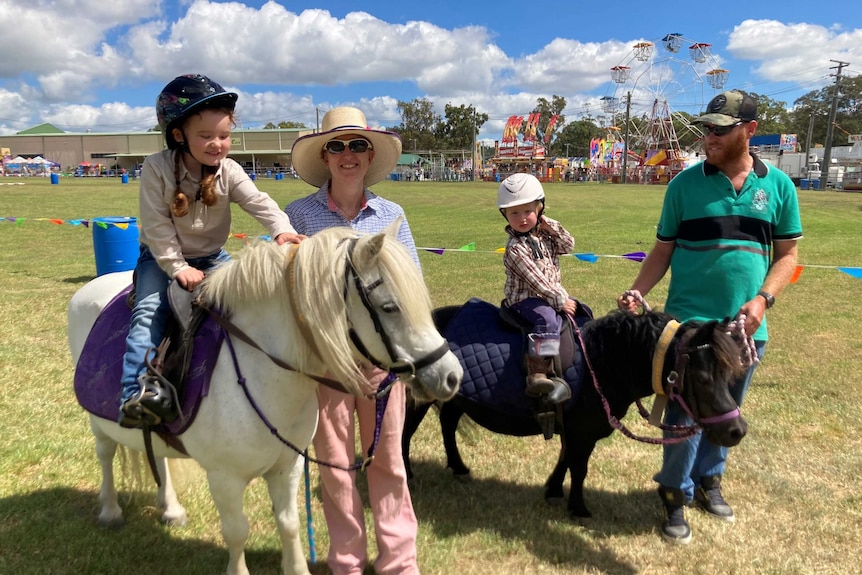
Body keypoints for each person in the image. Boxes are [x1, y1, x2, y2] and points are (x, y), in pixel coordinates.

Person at [617, 90, 802, 544]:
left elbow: (788, 255)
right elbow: (663, 249)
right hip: (691, 330)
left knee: (725, 411)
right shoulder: (683, 185)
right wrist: (637, 292)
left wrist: (763, 300)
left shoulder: (779, 186)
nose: (709, 137)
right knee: (684, 416)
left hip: (745, 330)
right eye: (706, 128)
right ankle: (674, 496)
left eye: (720, 129)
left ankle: (709, 480)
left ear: (749, 130)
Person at [118, 74, 303, 429]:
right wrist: (176, 267)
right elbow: (156, 228)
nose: (217, 144)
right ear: (178, 135)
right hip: (162, 259)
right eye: (206, 136)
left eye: (224, 135)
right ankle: (136, 393)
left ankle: (240, 379)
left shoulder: (230, 170)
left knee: (249, 304)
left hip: (212, 258)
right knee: (148, 311)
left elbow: (259, 202)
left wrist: (282, 229)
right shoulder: (157, 169)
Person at [284, 107, 420, 575]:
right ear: (324, 155)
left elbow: (410, 287)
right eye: (337, 146)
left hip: (381, 362)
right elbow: (285, 292)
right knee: (335, 466)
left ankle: (399, 562)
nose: (348, 155)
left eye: (357, 145)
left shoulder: (391, 214)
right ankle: (346, 561)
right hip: (326, 363)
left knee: (388, 461)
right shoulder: (297, 215)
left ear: (370, 155)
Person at [498, 173, 576, 404]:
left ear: (539, 209)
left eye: (528, 211)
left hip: (548, 294)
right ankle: (538, 371)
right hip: (525, 299)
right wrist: (560, 299)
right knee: (548, 320)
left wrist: (549, 226)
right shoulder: (515, 248)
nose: (522, 218)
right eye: (514, 213)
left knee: (582, 312)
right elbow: (538, 281)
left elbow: (568, 245)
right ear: (505, 215)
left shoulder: (545, 236)